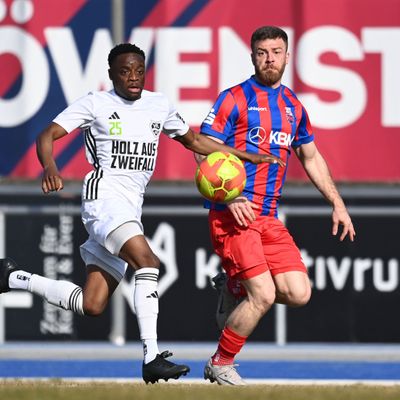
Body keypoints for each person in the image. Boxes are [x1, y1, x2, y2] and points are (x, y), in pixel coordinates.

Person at [0, 43, 283, 384]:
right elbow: (47, 134)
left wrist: (245, 156)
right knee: (148, 262)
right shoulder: (96, 103)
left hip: (130, 206)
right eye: (124, 71)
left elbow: (194, 141)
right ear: (111, 75)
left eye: (138, 71)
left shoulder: (158, 104)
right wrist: (49, 166)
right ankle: (151, 356)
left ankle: (12, 277)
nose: (133, 77)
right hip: (104, 200)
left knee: (92, 304)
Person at [195, 26, 356, 385]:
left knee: (299, 294)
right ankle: (220, 363)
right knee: (264, 294)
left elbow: (310, 157)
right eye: (262, 52)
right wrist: (230, 197)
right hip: (233, 215)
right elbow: (202, 148)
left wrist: (337, 203)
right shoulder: (234, 98)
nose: (269, 59)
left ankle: (234, 286)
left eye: (276, 52)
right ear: (252, 57)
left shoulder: (293, 106)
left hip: (268, 217)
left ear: (287, 56)